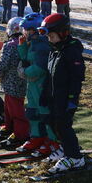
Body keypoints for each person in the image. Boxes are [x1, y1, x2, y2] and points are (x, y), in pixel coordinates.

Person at [38, 13, 86, 174]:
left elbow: (77, 78)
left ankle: (75, 157)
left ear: (62, 33)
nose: (49, 39)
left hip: (65, 97)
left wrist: (72, 99)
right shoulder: (55, 50)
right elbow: (49, 73)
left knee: (63, 125)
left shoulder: (71, 51)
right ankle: (67, 148)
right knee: (53, 122)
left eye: (51, 36)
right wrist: (45, 93)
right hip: (53, 96)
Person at [15, 13, 58, 155]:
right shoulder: (32, 43)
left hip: (41, 85)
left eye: (26, 30)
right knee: (32, 112)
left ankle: (52, 141)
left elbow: (40, 67)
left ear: (35, 30)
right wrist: (22, 46)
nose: (24, 33)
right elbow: (26, 58)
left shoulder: (42, 45)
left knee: (45, 113)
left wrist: (25, 72)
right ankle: (36, 137)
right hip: (32, 85)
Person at [0, 17, 29, 147]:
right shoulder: (24, 43)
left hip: (10, 81)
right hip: (20, 81)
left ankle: (20, 133)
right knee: (9, 106)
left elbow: (4, 62)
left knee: (15, 109)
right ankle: (9, 127)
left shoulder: (10, 45)